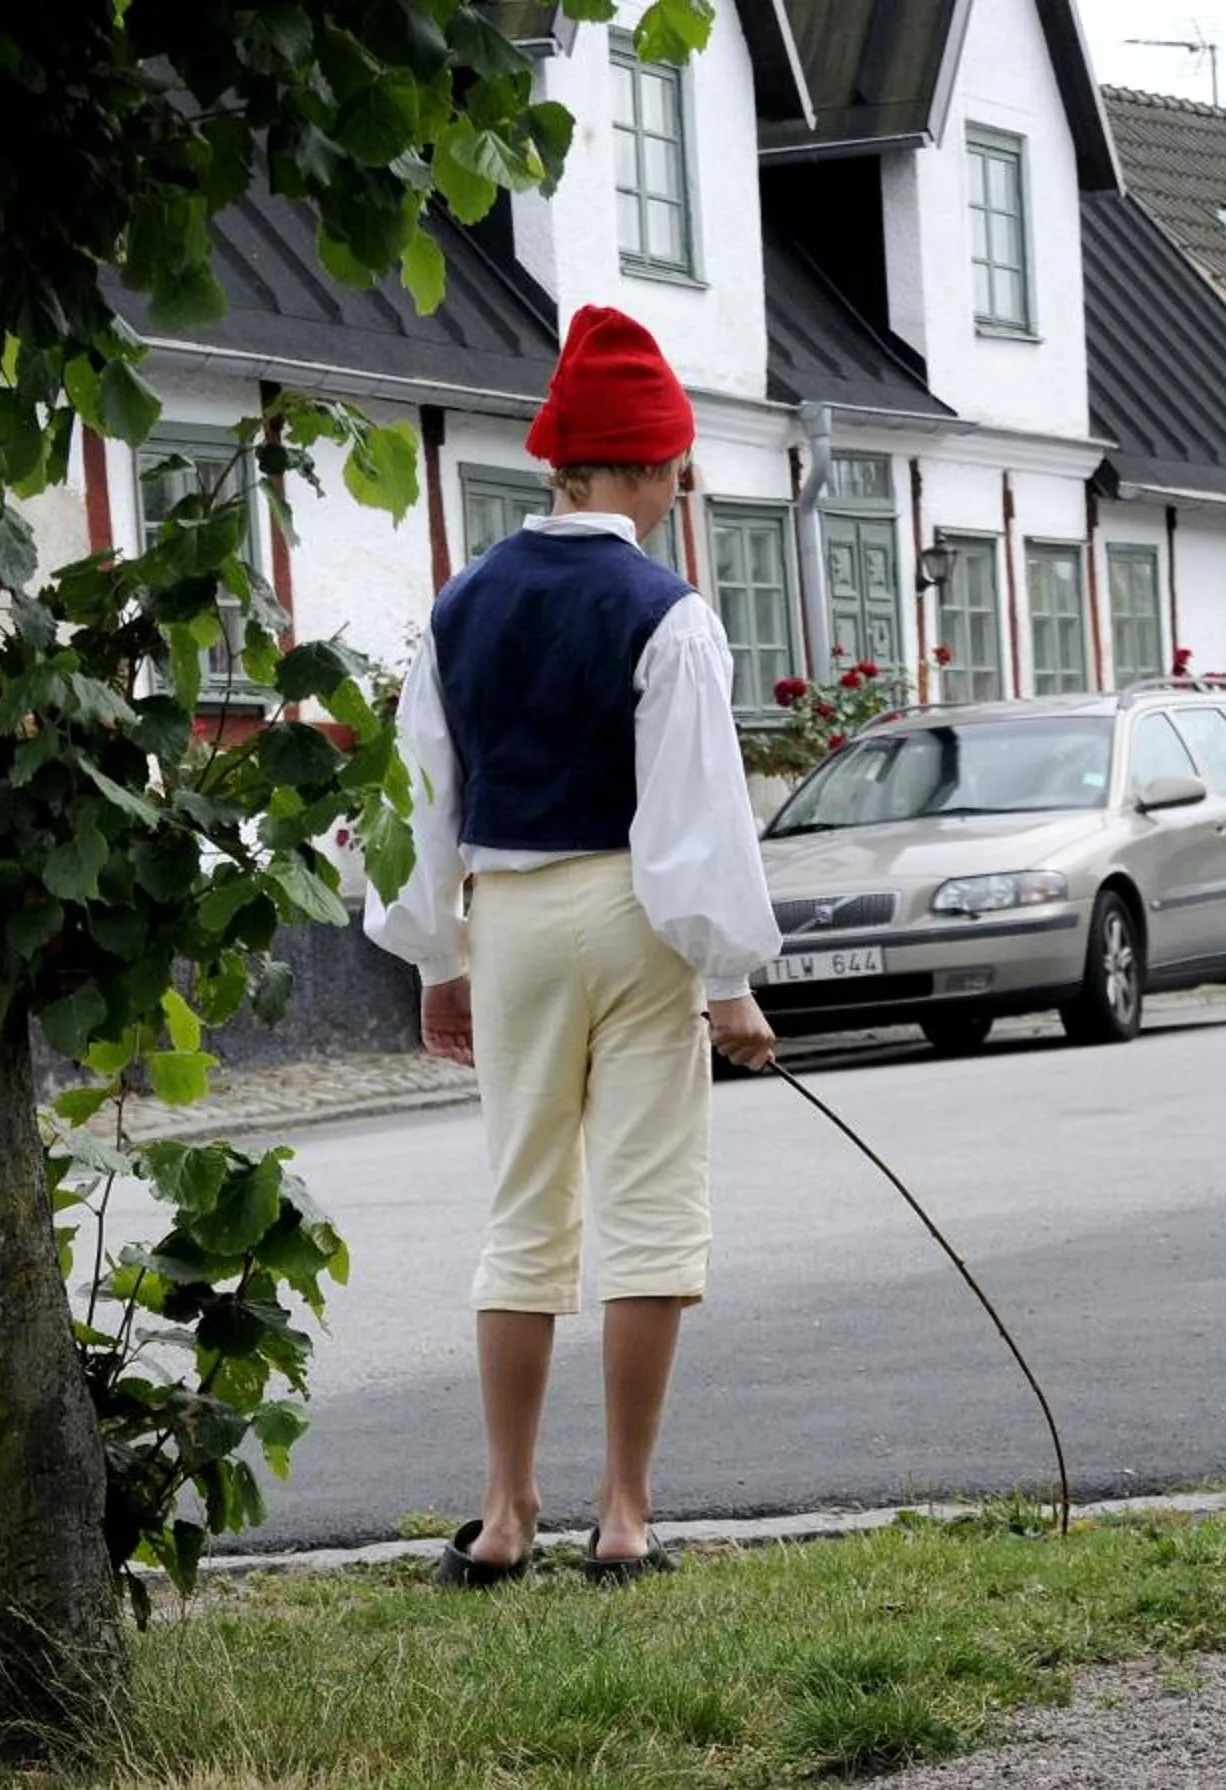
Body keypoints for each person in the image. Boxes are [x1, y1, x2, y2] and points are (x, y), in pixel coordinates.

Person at [365, 303, 783, 1587]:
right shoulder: (669, 614)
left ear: (560, 463)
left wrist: (440, 959)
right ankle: (623, 1513)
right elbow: (695, 819)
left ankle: (501, 1512)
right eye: (674, 471)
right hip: (633, 913)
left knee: (523, 1209)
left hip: (514, 917)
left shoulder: (458, 610)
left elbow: (416, 803)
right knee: (650, 1207)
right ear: (647, 466)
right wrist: (729, 986)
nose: (673, 494)